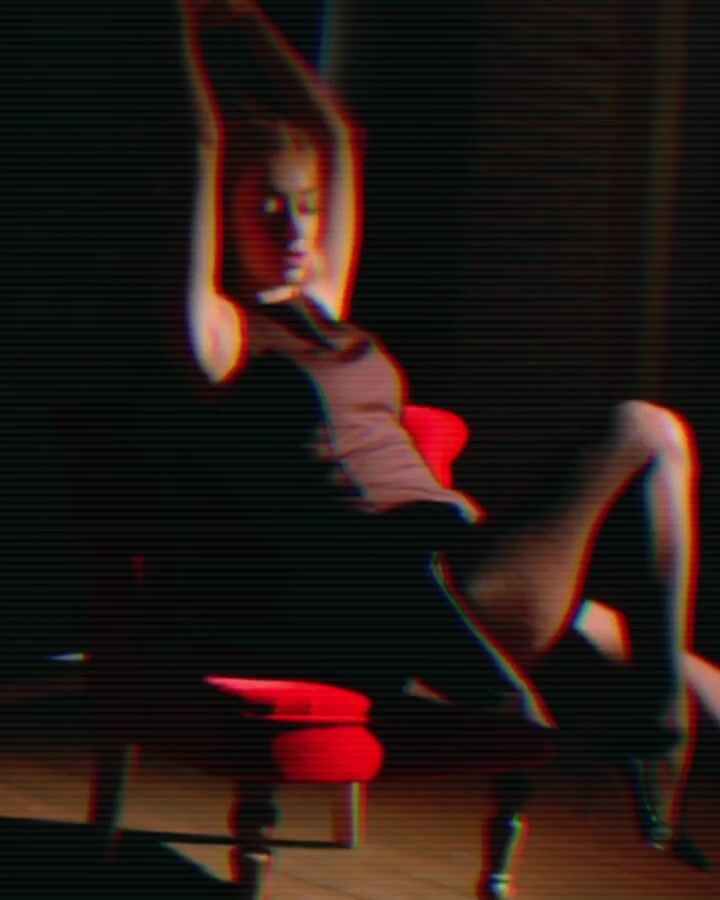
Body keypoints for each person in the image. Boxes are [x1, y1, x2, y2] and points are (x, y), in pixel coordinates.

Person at [172, 0, 707, 883]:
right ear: (224, 218)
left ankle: (662, 725)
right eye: (268, 208)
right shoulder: (219, 336)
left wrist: (246, 21)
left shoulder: (322, 306)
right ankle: (655, 738)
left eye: (307, 206)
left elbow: (337, 135)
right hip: (403, 595)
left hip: (463, 554)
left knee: (678, 665)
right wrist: (176, 32)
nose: (298, 230)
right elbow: (198, 144)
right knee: (645, 429)